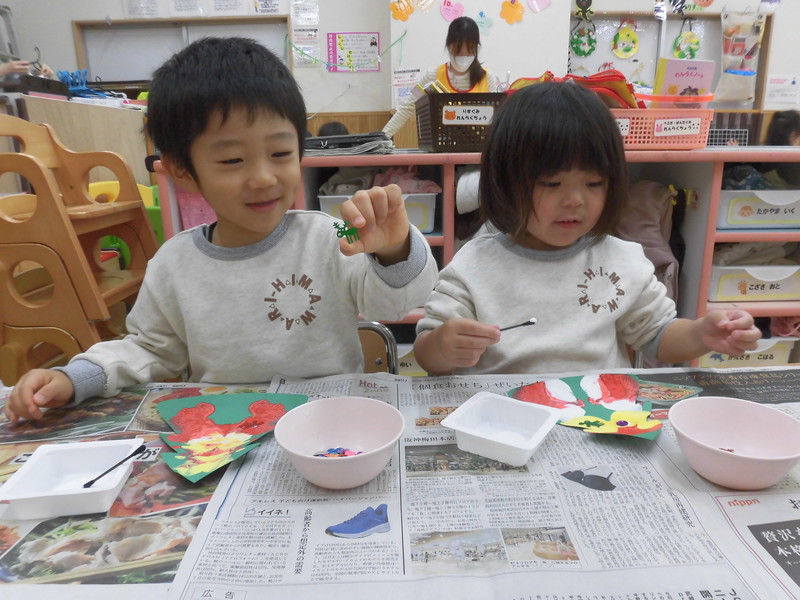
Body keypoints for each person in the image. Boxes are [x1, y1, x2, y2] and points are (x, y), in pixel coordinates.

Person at [5, 37, 438, 423]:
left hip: (325, 427)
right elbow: (149, 350)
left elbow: (399, 302)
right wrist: (74, 377)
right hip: (223, 436)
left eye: (281, 152)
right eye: (232, 161)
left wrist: (394, 249)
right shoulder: (174, 262)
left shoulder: (330, 232)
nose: (264, 177)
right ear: (184, 172)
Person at [413, 81, 761, 376]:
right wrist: (443, 346)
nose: (575, 200)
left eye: (594, 183)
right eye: (551, 183)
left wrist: (703, 333)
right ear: (506, 182)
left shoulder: (620, 259)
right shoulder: (475, 263)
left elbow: (658, 336)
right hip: (506, 423)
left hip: (599, 419)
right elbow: (427, 354)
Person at [382, 16, 498, 140]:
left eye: (469, 51)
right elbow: (408, 107)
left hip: (479, 147)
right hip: (443, 147)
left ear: (476, 48)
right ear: (448, 46)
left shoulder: (487, 77)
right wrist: (382, 136)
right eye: (458, 51)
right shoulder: (432, 75)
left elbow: (496, 119)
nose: (464, 56)